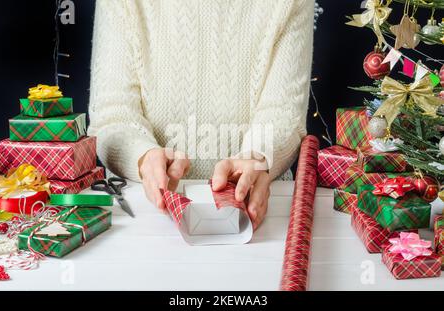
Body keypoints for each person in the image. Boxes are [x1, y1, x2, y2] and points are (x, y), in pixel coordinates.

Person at [88, 0, 314, 230]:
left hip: (251, 215)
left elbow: (284, 113)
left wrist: (257, 157)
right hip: (145, 219)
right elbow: (112, 115)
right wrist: (143, 156)